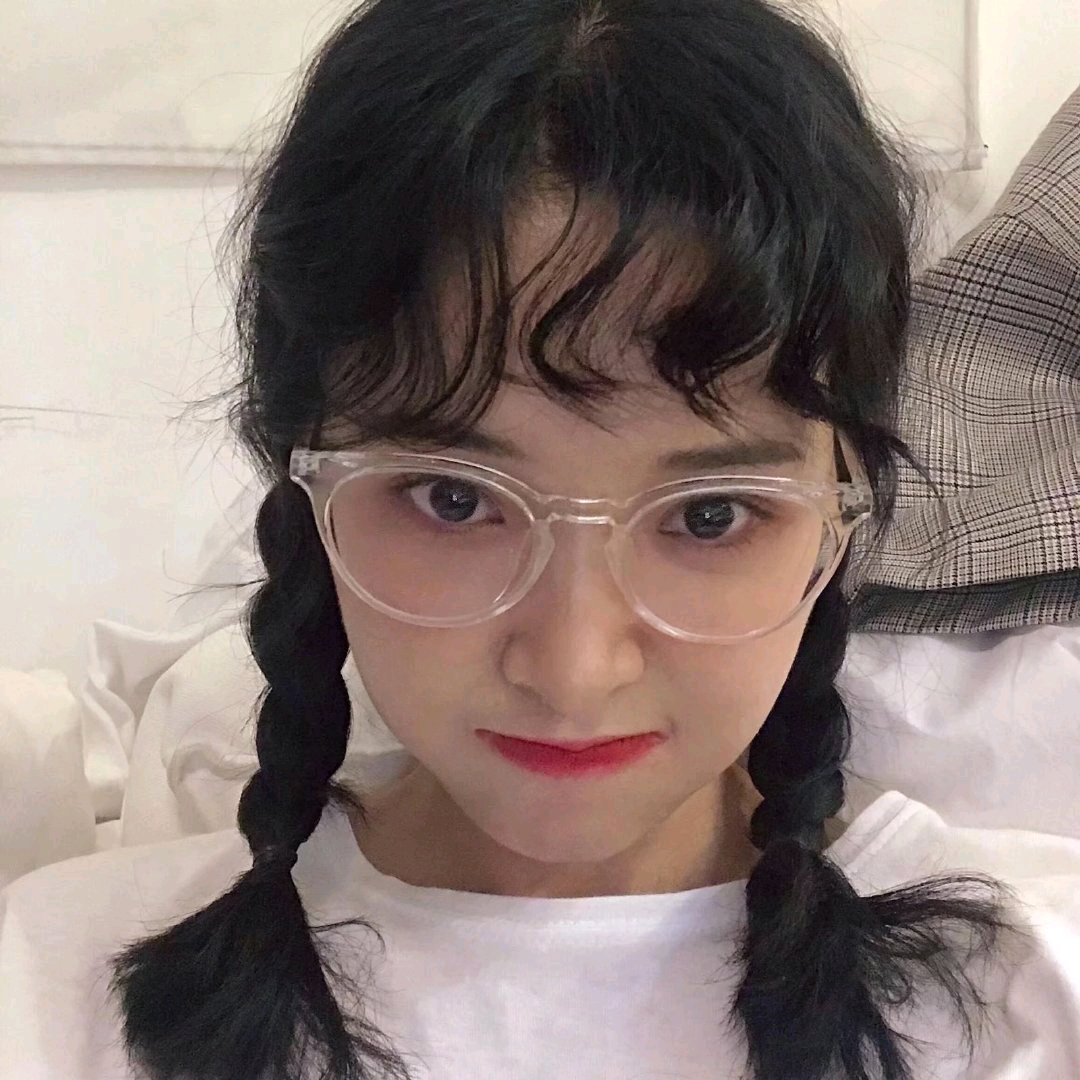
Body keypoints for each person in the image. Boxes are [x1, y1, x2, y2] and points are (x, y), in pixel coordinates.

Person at [2, 1, 1080, 1078]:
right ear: (305, 485)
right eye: (453, 500)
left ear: (838, 521)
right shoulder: (55, 990)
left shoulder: (1030, 992)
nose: (573, 668)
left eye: (710, 516)